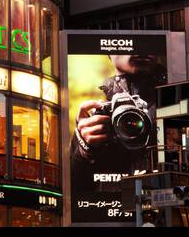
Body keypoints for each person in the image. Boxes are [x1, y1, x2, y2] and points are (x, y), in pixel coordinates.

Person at [70, 52, 168, 191]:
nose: (137, 45)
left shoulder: (176, 107)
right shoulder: (98, 119)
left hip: (164, 206)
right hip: (107, 209)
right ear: (109, 52)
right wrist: (84, 151)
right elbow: (72, 195)